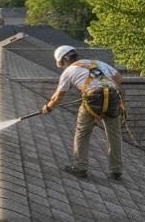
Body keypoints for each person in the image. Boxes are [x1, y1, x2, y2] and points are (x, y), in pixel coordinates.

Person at [41, 45, 125, 180]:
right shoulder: (97, 63)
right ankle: (116, 170)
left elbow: (58, 97)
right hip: (113, 96)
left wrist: (48, 108)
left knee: (82, 132)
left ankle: (80, 167)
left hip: (92, 98)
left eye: (61, 63)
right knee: (114, 134)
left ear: (65, 59)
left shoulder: (69, 71)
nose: (62, 66)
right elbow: (119, 79)